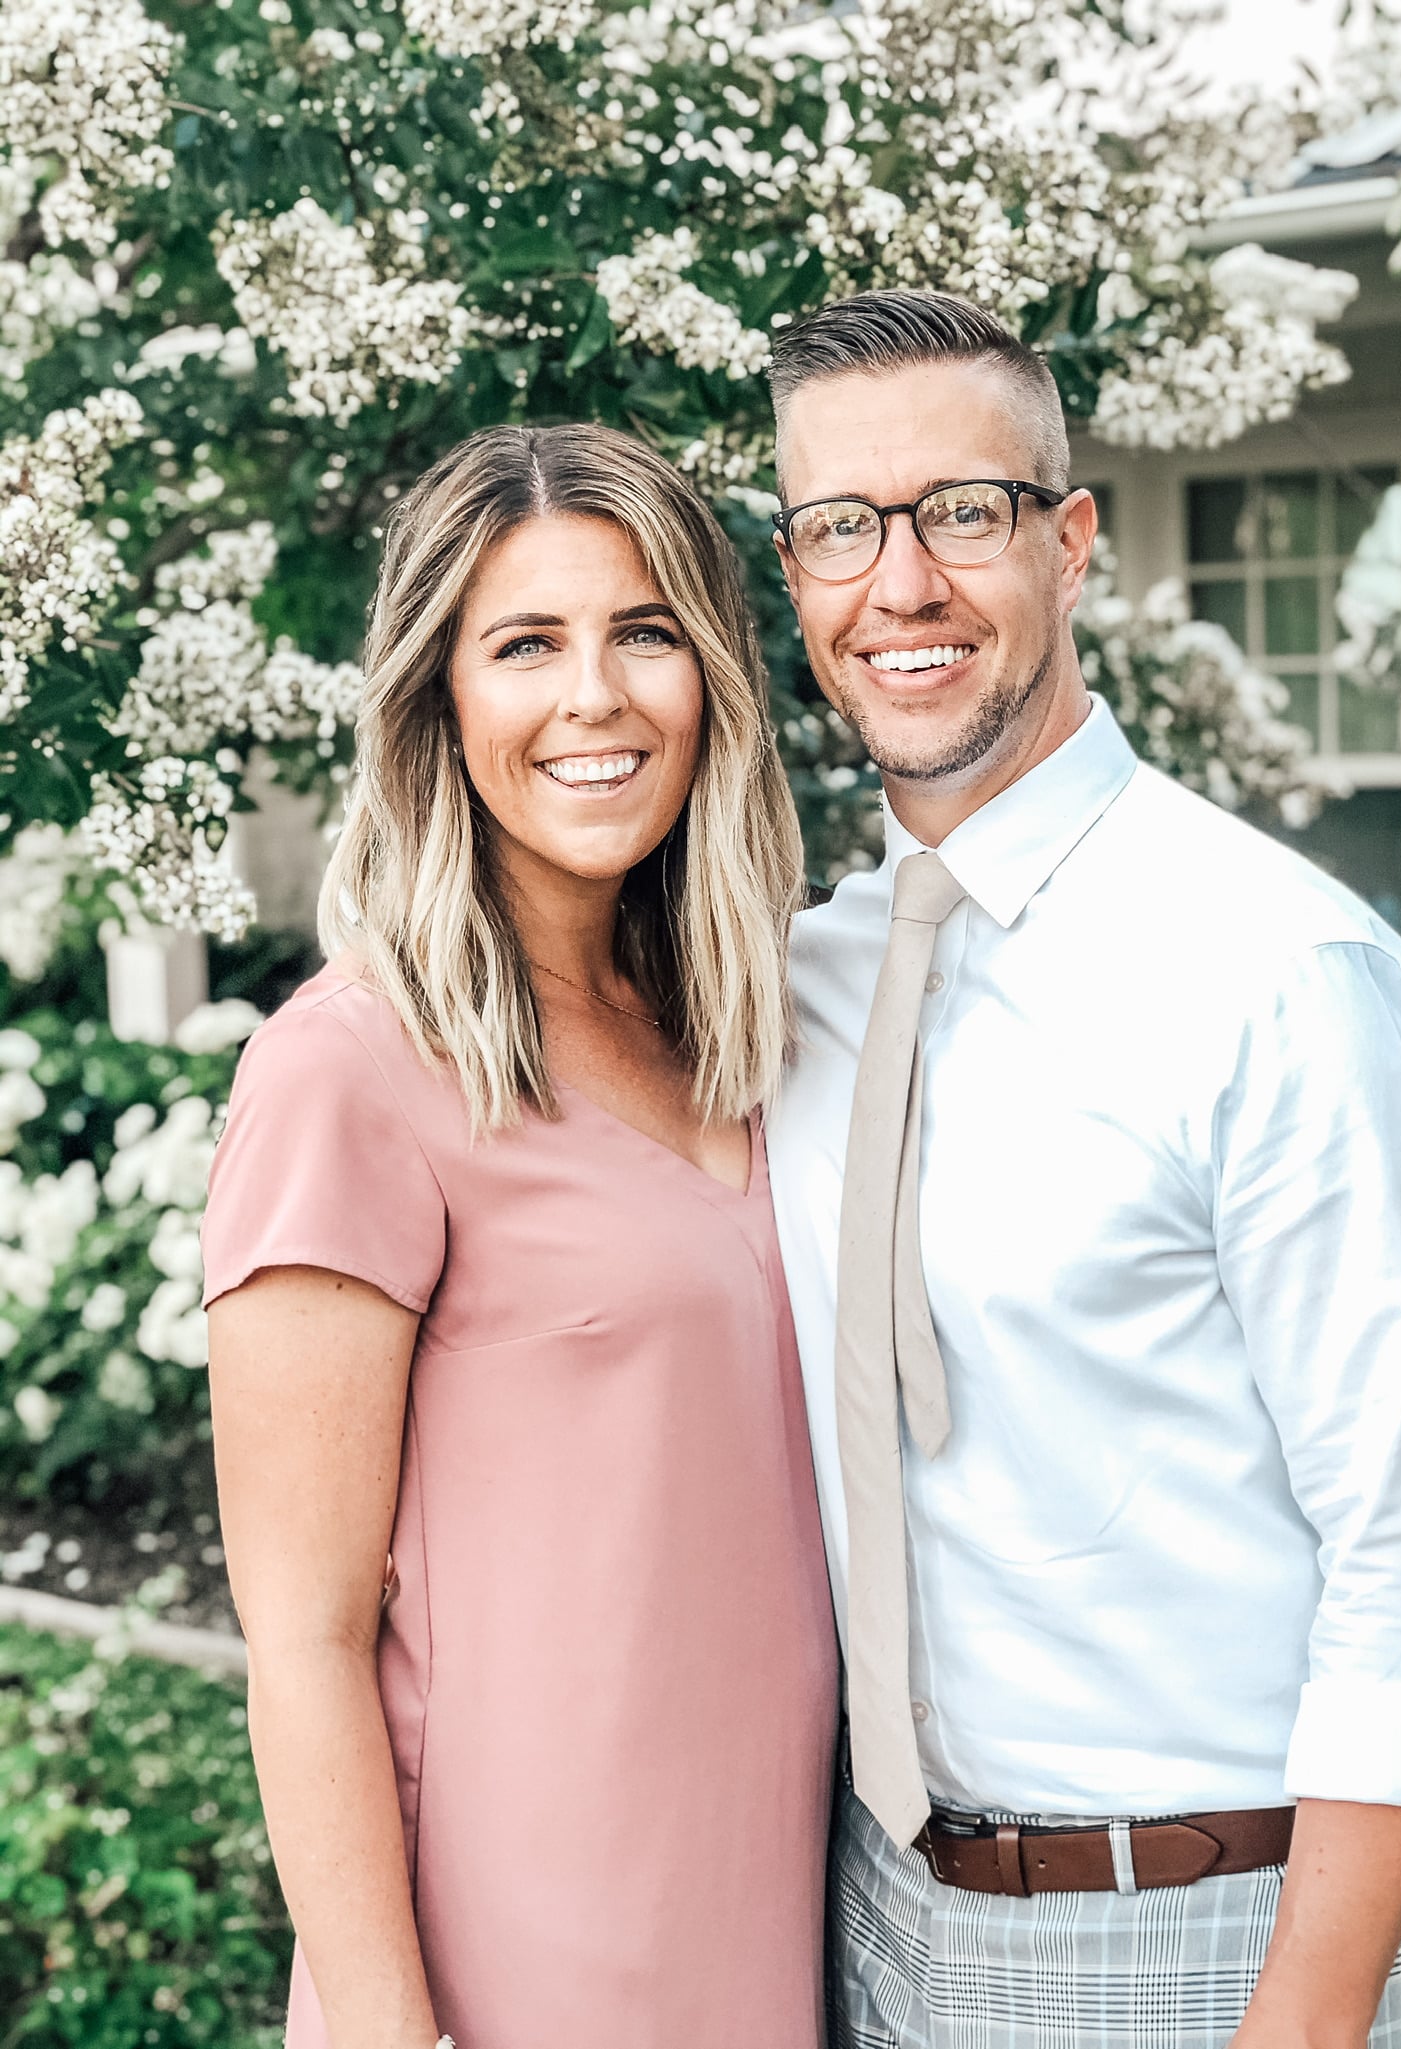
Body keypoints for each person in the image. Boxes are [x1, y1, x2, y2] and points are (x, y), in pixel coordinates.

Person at [762, 289, 1401, 2049]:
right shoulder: (804, 982)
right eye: (837, 528)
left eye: (962, 512)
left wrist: (1302, 2021)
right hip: (858, 1921)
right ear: (795, 570)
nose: (901, 586)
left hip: (1196, 1939)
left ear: (1071, 541)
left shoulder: (1282, 975)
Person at [201, 422, 838, 2049]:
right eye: (525, 644)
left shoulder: (753, 1032)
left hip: (774, 1931)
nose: (596, 697)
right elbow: (306, 1641)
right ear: (438, 699)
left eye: (645, 632)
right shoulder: (345, 1072)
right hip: (514, 1966)